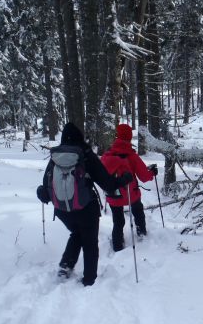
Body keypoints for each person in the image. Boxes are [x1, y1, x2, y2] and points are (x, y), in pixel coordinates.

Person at [36, 122, 132, 286]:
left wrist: (41, 192)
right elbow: (107, 184)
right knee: (89, 241)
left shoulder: (56, 156)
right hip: (86, 208)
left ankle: (65, 266)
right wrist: (123, 180)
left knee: (76, 233)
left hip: (62, 210)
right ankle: (89, 281)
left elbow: (45, 189)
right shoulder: (85, 154)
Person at [101, 124, 158, 252]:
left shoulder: (107, 155)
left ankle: (117, 245)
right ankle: (142, 234)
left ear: (117, 136)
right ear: (129, 138)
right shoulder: (132, 156)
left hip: (113, 194)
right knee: (138, 212)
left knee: (118, 221)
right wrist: (152, 173)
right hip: (130, 194)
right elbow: (144, 176)